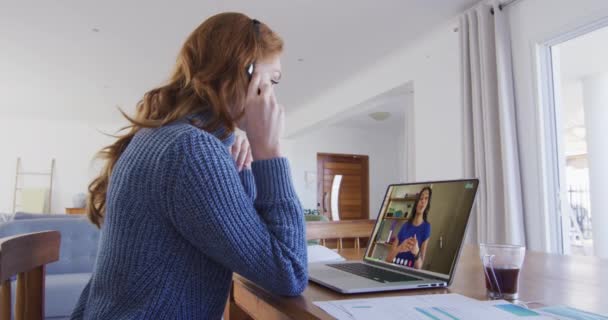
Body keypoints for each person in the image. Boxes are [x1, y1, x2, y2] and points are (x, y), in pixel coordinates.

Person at [71, 12, 307, 319]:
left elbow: (246, 242)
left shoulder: (168, 137)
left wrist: (245, 166)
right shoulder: (192, 151)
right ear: (244, 73)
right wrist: (270, 152)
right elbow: (289, 271)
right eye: (271, 81)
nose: (273, 97)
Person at [386, 187, 432, 269]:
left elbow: (419, 267)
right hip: (394, 269)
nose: (423, 201)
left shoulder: (426, 227)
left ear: (427, 205)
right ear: (416, 201)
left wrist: (416, 252)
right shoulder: (405, 225)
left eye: (426, 198)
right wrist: (400, 248)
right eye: (421, 198)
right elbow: (388, 259)